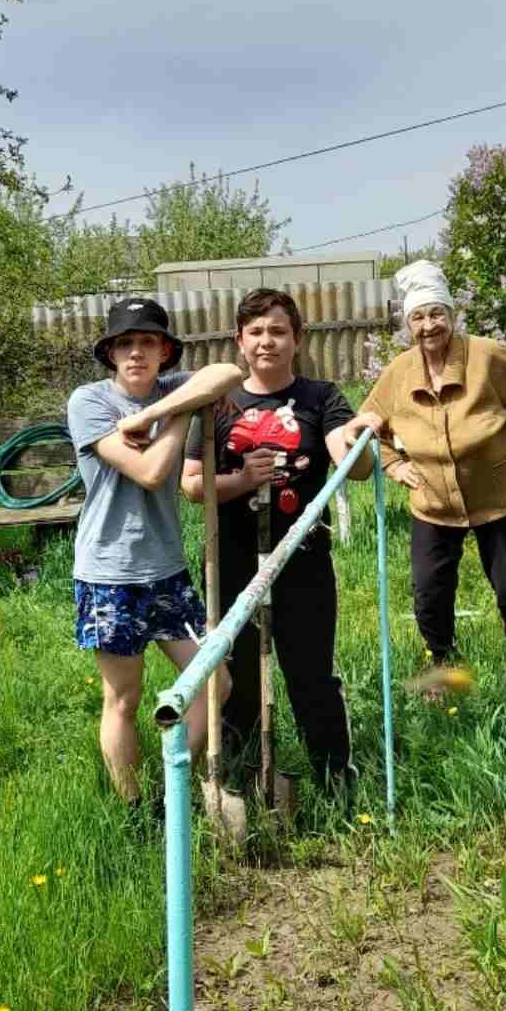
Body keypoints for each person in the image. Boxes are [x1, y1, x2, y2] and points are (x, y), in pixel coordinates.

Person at [180, 288, 374, 791]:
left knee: (311, 677)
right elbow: (191, 484)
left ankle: (335, 785)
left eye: (278, 331)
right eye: (257, 332)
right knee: (237, 681)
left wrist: (358, 438)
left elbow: (348, 462)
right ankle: (240, 783)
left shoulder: (321, 397)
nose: (267, 341)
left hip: (302, 562)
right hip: (233, 561)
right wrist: (243, 481)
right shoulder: (216, 407)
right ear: (239, 341)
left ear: (297, 338)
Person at [345, 261, 506, 693]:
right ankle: (442, 667)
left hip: (500, 496)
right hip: (433, 504)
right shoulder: (398, 373)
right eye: (419, 317)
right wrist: (392, 463)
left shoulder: (486, 357)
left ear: (452, 315)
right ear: (408, 323)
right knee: (429, 593)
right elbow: (369, 421)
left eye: (437, 314)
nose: (429, 325)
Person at [66, 297, 244, 810]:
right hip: (109, 574)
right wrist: (184, 410)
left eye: (148, 342)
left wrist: (168, 407)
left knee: (216, 681)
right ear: (111, 353)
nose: (137, 353)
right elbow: (150, 472)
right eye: (126, 343)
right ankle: (132, 807)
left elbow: (226, 370)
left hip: (167, 571)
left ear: (165, 351)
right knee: (124, 698)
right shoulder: (89, 402)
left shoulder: (170, 390)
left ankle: (171, 781)